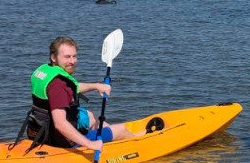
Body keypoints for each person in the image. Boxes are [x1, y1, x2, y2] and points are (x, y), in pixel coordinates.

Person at [26, 36, 156, 151]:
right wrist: (90, 144)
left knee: (90, 116)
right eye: (67, 57)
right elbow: (60, 124)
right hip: (61, 141)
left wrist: (96, 86)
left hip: (39, 132)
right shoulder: (58, 85)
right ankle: (138, 143)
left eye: (74, 56)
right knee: (120, 129)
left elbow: (73, 87)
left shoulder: (46, 72)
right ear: (53, 57)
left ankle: (118, 139)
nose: (72, 61)